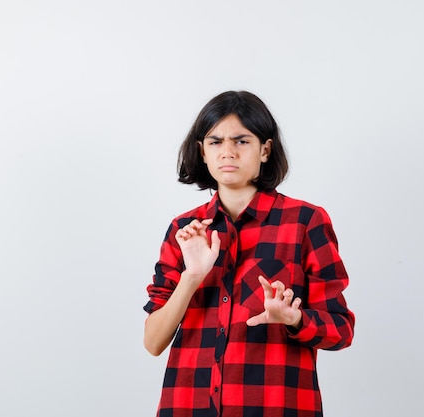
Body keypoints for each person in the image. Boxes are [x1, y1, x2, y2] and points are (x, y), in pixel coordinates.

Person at [143, 91, 355, 417]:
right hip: (187, 407)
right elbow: (153, 342)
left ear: (265, 149)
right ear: (201, 151)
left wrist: (293, 318)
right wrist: (192, 277)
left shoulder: (305, 223)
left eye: (242, 141)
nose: (228, 152)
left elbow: (340, 330)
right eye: (215, 142)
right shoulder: (184, 229)